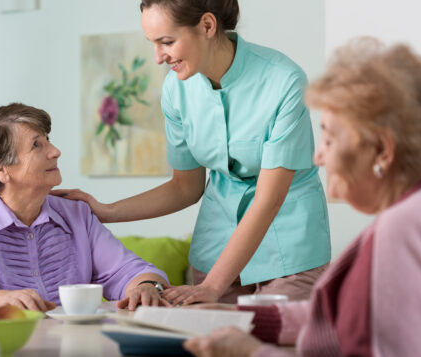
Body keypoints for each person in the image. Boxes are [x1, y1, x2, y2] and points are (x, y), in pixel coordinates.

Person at [52, 0, 330, 304]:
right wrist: (107, 211)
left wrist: (213, 286)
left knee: (275, 343)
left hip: (288, 248)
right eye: (153, 44)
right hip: (215, 245)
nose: (158, 57)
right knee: (209, 346)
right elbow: (185, 187)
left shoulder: (284, 81)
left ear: (207, 26)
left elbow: (268, 198)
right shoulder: (176, 89)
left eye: (167, 42)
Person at [183, 38, 421, 356]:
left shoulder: (401, 228)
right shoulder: (406, 216)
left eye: (329, 138)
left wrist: (252, 352)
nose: (318, 156)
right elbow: (342, 317)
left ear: (381, 149)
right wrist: (239, 318)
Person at [0, 103, 169, 312]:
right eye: (36, 145)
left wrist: (146, 286)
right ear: (0, 168)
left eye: (47, 139)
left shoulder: (76, 213)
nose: (55, 151)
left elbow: (129, 271)